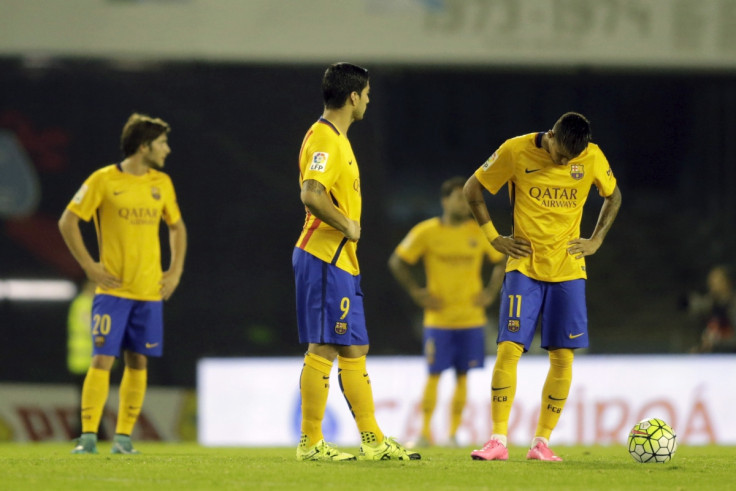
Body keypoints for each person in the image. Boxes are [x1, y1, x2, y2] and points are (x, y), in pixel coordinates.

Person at [464, 112, 621, 462]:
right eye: (560, 155)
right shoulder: (515, 150)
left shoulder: (592, 156)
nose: (564, 162)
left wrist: (595, 241)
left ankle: (541, 443)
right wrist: (494, 238)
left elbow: (614, 196)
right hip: (525, 265)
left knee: (563, 357)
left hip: (569, 269)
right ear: (551, 135)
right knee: (509, 348)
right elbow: (472, 190)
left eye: (571, 159)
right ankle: (498, 440)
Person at [293, 62, 419, 461]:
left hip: (340, 260)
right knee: (326, 347)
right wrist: (347, 223)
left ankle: (373, 441)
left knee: (354, 346)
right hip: (324, 255)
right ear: (353, 96)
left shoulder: (335, 138)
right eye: (366, 93)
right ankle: (311, 442)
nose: (368, 99)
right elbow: (311, 194)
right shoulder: (327, 140)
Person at [58, 113, 187, 455]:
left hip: (149, 293)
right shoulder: (102, 180)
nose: (167, 150)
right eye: (162, 143)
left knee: (138, 363)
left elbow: (177, 227)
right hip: (113, 291)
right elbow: (68, 221)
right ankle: (88, 438)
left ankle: (123, 439)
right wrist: (89, 265)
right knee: (102, 359)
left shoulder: (162, 183)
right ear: (143, 146)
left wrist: (173, 272)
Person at [388, 176, 506, 447]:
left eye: (467, 199)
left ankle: (453, 434)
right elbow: (397, 262)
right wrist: (417, 292)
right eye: (458, 198)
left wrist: (490, 292)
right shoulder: (426, 232)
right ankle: (425, 433)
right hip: (438, 319)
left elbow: (501, 261)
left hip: (471, 318)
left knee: (463, 376)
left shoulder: (478, 233)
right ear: (444, 200)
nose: (464, 205)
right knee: (434, 374)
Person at [67, 279, 108, 440]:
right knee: (91, 399)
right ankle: (91, 433)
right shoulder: (85, 303)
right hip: (87, 361)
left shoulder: (82, 302)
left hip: (84, 361)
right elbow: (92, 328)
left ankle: (88, 433)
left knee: (89, 399)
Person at [687, 265, 736, 353]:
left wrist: (718, 341)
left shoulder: (733, 304)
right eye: (711, 281)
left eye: (717, 281)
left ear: (728, 282)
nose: (713, 285)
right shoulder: (707, 303)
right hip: (712, 354)